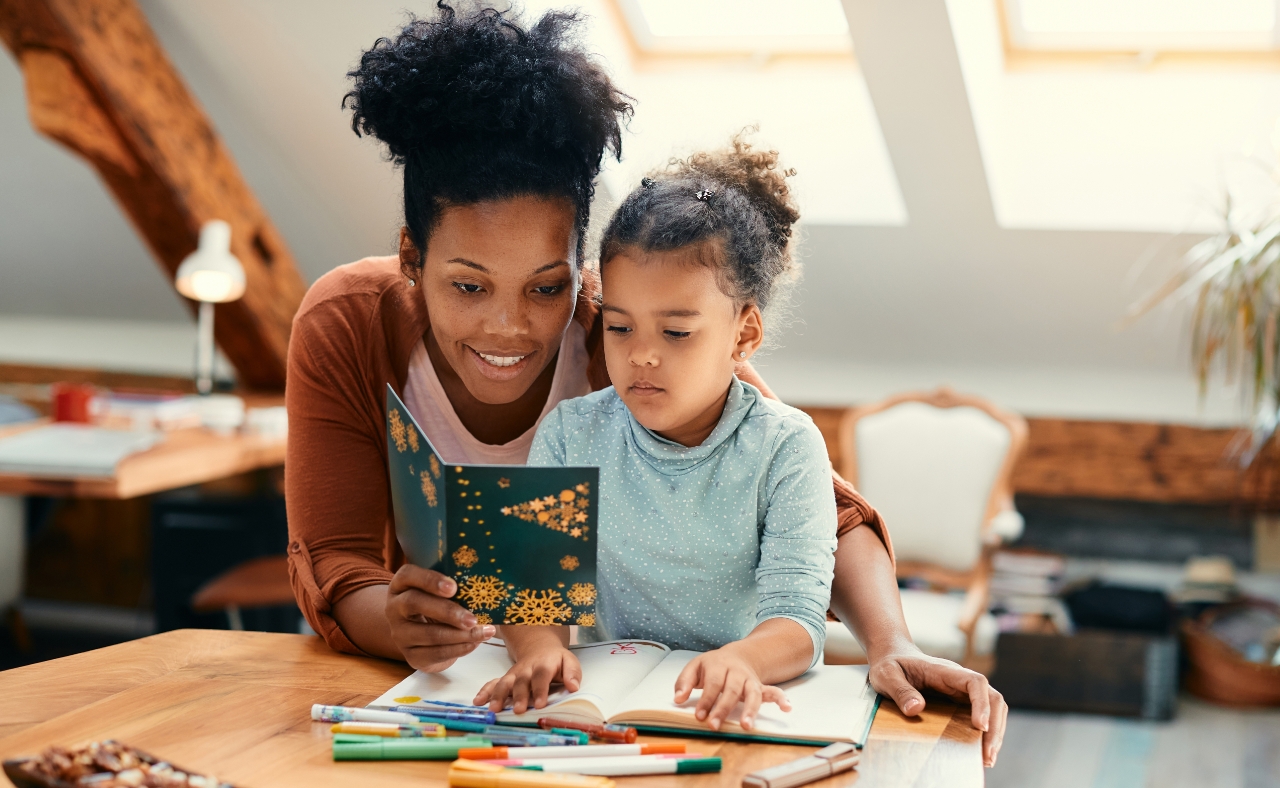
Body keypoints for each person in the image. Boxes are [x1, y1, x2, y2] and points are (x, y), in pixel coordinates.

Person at [283, 2, 1008, 766]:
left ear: (580, 268)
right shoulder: (347, 324)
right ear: (411, 258)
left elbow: (823, 512)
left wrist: (891, 643)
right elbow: (334, 561)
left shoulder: (627, 332)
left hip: (624, 704)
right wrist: (396, 623)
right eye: (467, 287)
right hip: (446, 700)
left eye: (545, 287)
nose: (509, 329)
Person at [477, 137, 834, 731]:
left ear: (743, 335)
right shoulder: (570, 432)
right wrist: (539, 648)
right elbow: (529, 589)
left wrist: (744, 660)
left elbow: (798, 619)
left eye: (675, 333)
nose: (640, 356)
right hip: (597, 710)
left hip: (722, 714)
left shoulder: (786, 448)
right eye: (619, 327)